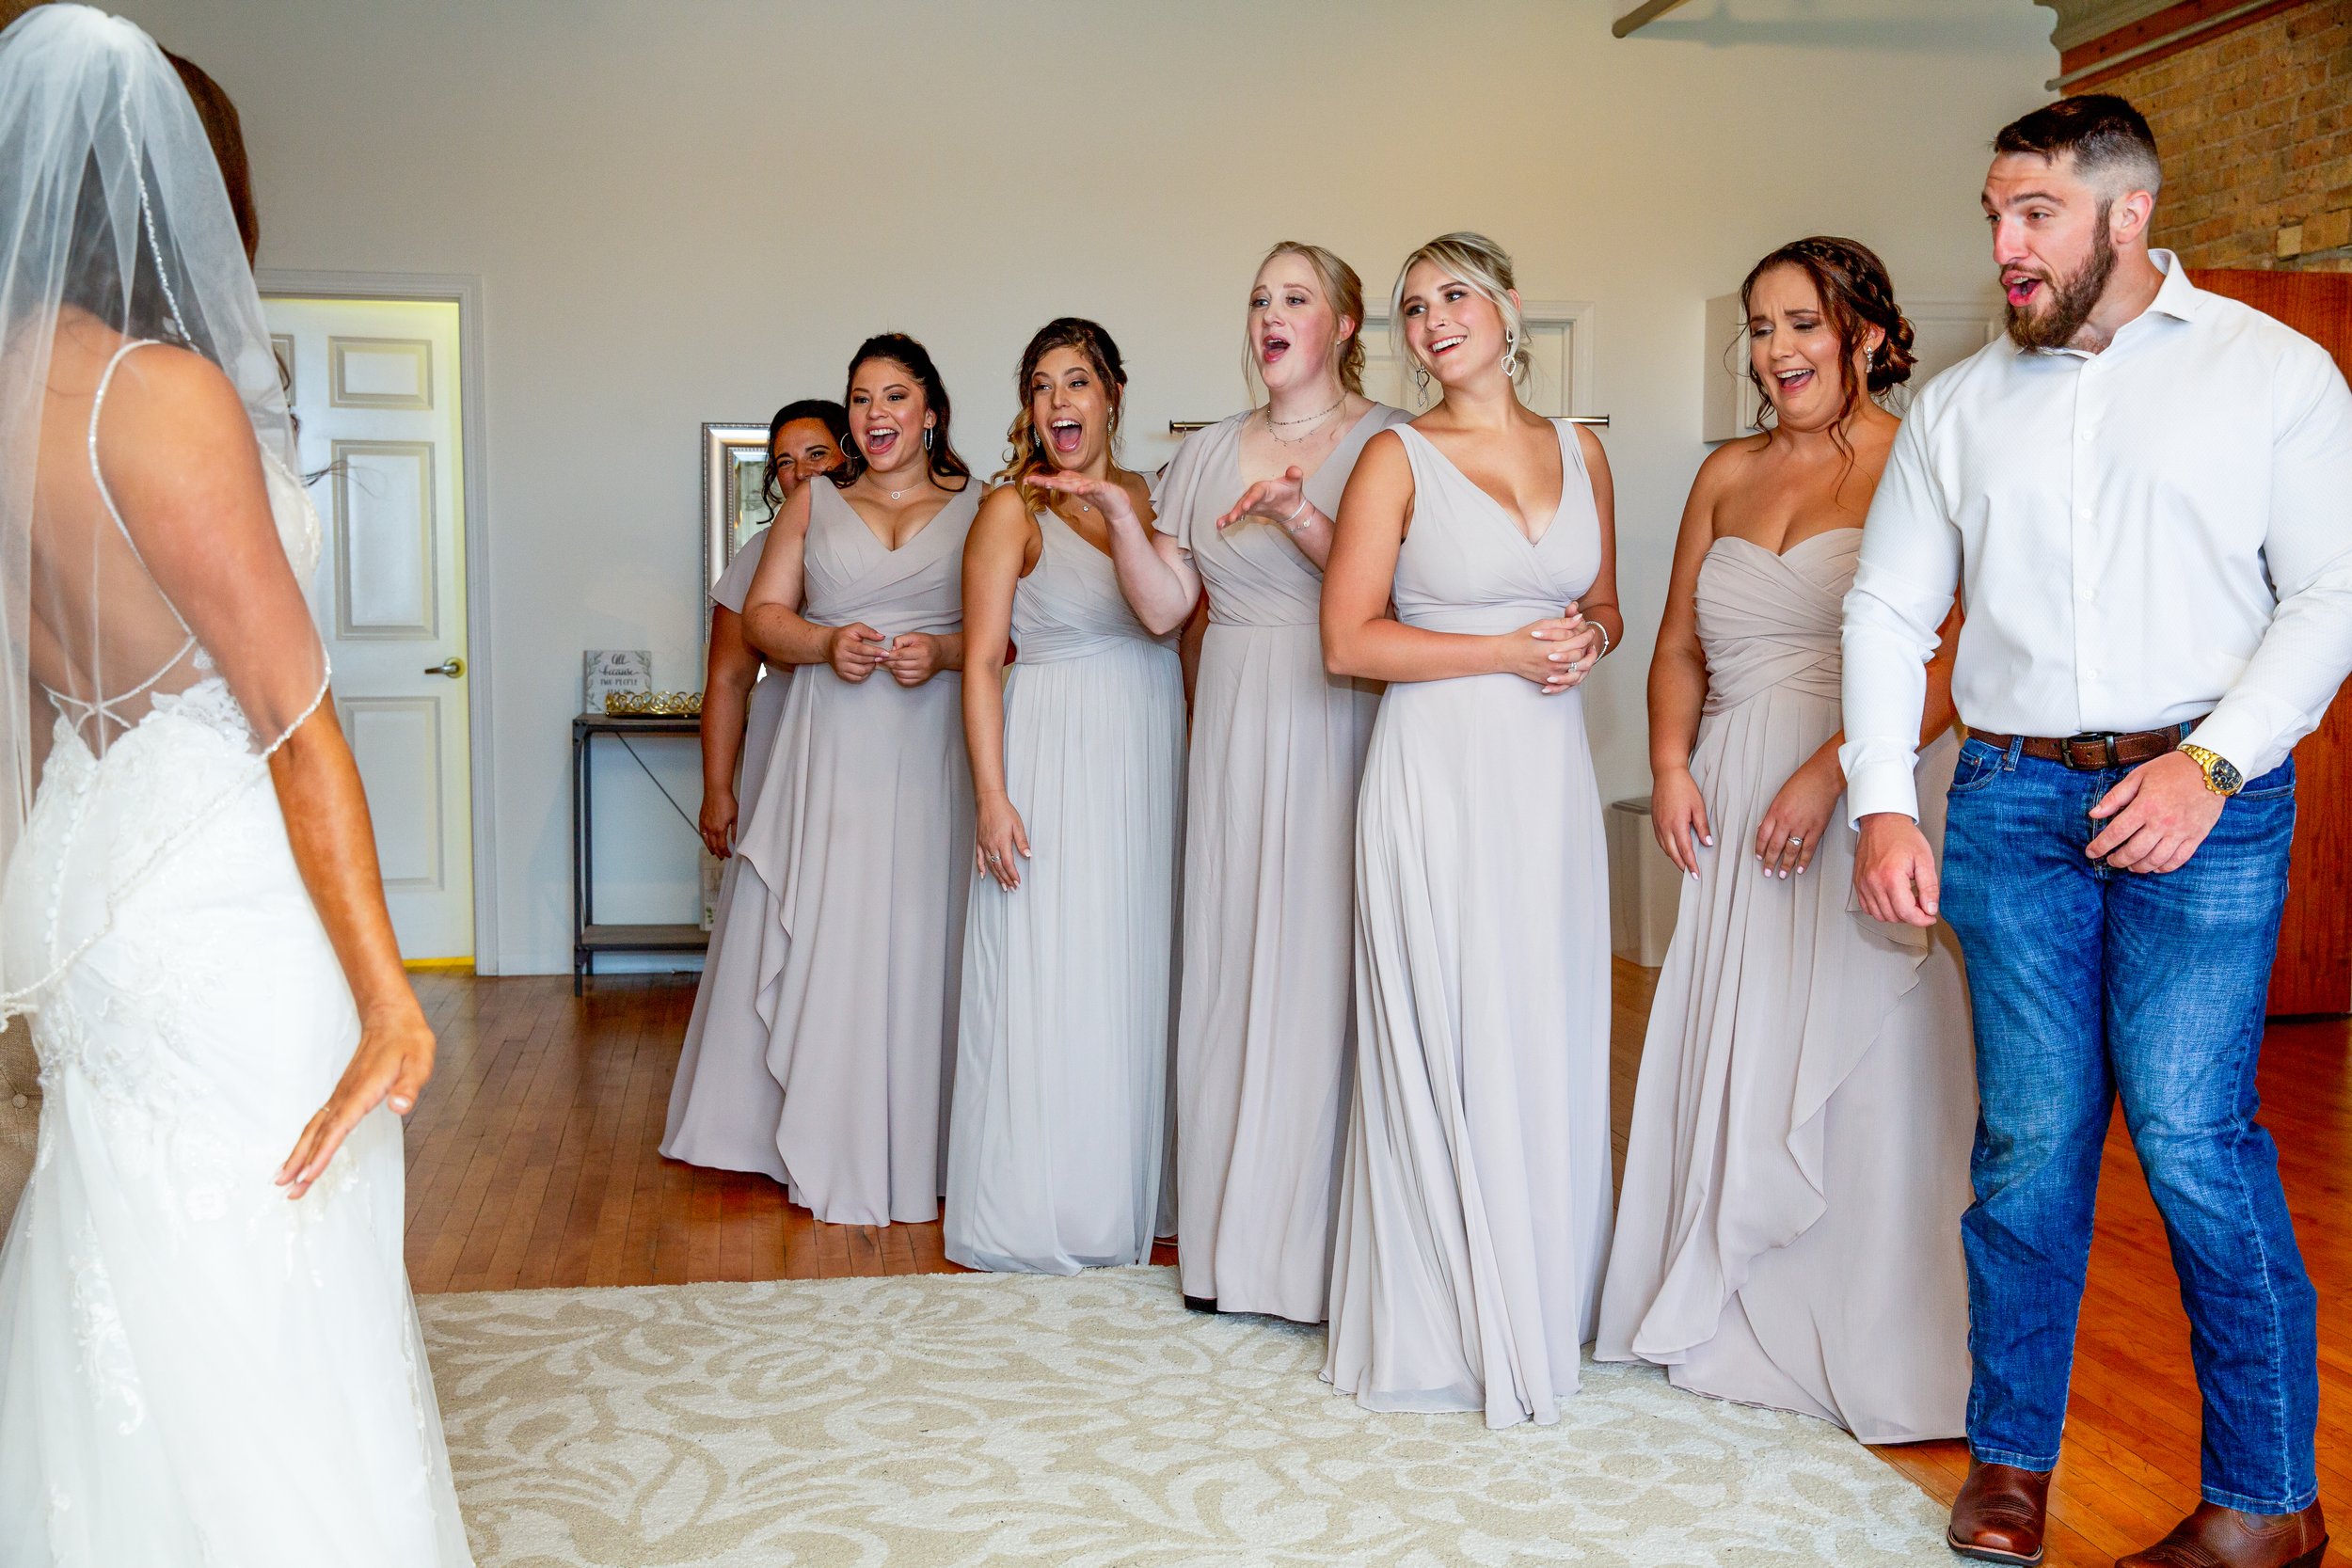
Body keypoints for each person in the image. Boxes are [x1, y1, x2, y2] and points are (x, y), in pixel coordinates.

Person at [1845, 96, 2351, 1568]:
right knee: (2028, 1142)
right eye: (1996, 215)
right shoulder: (1959, 407)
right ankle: (2010, 1464)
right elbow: (1887, 607)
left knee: (2193, 1139)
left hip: (2209, 800)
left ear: (2130, 213)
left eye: (2036, 214)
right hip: (2010, 806)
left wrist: (2211, 763)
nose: (2005, 244)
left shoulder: (2276, 374)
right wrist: (1884, 796)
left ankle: (2267, 1500)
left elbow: (2330, 595)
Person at [0, 8, 472, 1562]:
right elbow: (293, 717)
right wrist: (391, 998)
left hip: (89, 871)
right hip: (215, 885)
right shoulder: (162, 393)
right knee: (273, 1254)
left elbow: (41, 695)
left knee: (120, 1240)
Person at [1595, 236, 1975, 1443]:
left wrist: (1836, 772)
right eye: (1760, 328)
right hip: (1728, 785)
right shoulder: (1724, 472)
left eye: (1802, 324)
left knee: (1862, 1046)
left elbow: (1954, 655)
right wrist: (1668, 764)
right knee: (1738, 1026)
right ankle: (1723, 1306)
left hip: (1867, 781)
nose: (1775, 351)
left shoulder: (1922, 459)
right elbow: (1676, 643)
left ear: (1867, 335)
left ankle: (1865, 1336)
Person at [1318, 233, 1620, 1428]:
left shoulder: (1582, 448)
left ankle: (1538, 1291)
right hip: (1436, 771)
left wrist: (1589, 636)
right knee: (1449, 1016)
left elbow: (1604, 601)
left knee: (1539, 1014)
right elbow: (1347, 640)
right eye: (1411, 307)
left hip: (1547, 780)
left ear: (1507, 308)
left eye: (1452, 294)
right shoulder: (1392, 456)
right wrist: (1501, 649)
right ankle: (1443, 1315)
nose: (1432, 320)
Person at [1091, 241, 1407, 1322]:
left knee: (1323, 961)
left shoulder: (1388, 443)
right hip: (1232, 717)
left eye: (1295, 297)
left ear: (1345, 324)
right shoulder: (1206, 451)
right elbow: (1163, 608)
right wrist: (1118, 514)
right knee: (1232, 956)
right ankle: (1230, 1247)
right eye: (1259, 298)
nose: (1270, 314)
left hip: (1339, 708)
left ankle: (1320, 1253)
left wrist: (1301, 518)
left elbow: (1398, 596)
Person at [669, 338, 978, 1227]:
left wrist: (944, 652)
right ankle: (820, 1127)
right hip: (832, 742)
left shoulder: (982, 506)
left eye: (894, 395)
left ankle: (924, 1140)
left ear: (930, 410)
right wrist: (824, 642)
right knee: (833, 925)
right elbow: (762, 621)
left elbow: (1014, 634)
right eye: (861, 398)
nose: (876, 413)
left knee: (921, 926)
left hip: (934, 746)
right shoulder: (814, 503)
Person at [946, 318, 1184, 1274]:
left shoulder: (1153, 497)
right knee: (1059, 965)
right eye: (1040, 386)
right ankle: (1050, 1203)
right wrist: (991, 795)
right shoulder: (1013, 510)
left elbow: (1179, 621)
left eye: (1075, 381)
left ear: (1112, 394)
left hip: (1146, 748)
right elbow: (978, 663)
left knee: (1131, 963)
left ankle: (1127, 1186)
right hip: (1053, 751)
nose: (1057, 402)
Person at [660, 398, 845, 1178]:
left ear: (851, 453)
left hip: (881, 749)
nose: (799, 474)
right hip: (783, 747)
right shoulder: (761, 553)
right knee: (778, 913)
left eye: (816, 455)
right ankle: (754, 1121)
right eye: (783, 463)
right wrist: (717, 787)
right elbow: (730, 677)